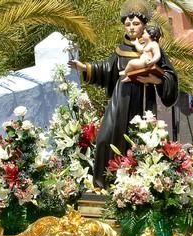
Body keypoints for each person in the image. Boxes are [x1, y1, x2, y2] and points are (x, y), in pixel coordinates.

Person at [68, 1, 178, 187]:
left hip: (141, 100)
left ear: (144, 25)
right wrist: (84, 67)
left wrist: (155, 80)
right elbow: (108, 69)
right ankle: (103, 185)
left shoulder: (152, 47)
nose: (131, 28)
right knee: (105, 138)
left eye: (136, 24)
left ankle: (133, 188)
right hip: (119, 99)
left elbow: (170, 76)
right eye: (128, 24)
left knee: (137, 143)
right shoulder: (121, 48)